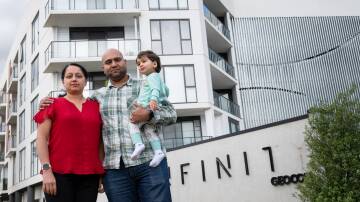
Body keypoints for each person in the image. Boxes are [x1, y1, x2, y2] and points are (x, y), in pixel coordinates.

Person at [40, 49, 176, 202]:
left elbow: (171, 114)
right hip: (114, 171)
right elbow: (73, 106)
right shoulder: (96, 97)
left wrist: (150, 115)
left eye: (117, 60)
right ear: (103, 68)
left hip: (150, 163)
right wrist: (50, 102)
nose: (113, 64)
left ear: (125, 62)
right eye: (108, 62)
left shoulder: (145, 85)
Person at [34, 63, 104, 202]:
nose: (74, 79)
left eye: (79, 76)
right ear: (63, 81)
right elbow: (41, 138)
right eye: (69, 76)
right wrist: (46, 170)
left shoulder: (96, 107)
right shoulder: (51, 104)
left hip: (90, 176)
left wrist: (100, 172)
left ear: (85, 81)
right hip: (58, 175)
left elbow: (100, 142)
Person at [129, 50, 169, 168]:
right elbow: (165, 90)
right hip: (149, 106)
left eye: (143, 61)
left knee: (131, 123)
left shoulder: (152, 76)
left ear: (154, 64)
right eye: (138, 63)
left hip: (149, 106)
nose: (140, 64)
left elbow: (155, 89)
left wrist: (154, 100)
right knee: (149, 130)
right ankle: (158, 151)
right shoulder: (157, 78)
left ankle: (138, 144)